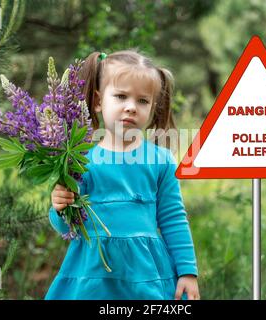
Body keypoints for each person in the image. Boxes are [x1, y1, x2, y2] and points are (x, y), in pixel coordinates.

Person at [45, 49, 200, 300]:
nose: (131, 107)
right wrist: (60, 207)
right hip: (94, 273)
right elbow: (68, 226)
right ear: (97, 102)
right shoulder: (80, 159)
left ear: (152, 107)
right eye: (120, 96)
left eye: (142, 101)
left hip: (145, 272)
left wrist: (187, 271)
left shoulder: (160, 161)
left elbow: (173, 220)